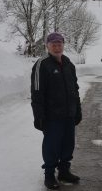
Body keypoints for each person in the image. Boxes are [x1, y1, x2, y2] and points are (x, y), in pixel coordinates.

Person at [31, 32, 82, 190]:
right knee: (52, 146)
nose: (57, 46)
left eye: (59, 43)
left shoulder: (68, 64)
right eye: (53, 43)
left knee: (68, 144)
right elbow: (37, 93)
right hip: (52, 116)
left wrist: (77, 110)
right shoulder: (42, 64)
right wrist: (39, 116)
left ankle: (64, 171)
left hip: (69, 114)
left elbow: (75, 89)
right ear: (47, 45)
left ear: (63, 45)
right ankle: (49, 175)